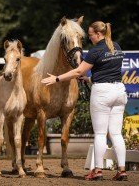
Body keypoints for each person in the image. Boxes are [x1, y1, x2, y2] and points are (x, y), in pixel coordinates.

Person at [41, 21, 128, 181]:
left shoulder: (96, 50)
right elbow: (107, 71)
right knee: (116, 133)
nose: (89, 38)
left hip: (102, 93)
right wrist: (88, 79)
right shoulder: (116, 47)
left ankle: (98, 171)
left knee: (101, 134)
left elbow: (78, 70)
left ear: (98, 34)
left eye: (90, 35)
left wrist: (57, 78)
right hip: (119, 91)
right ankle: (122, 170)